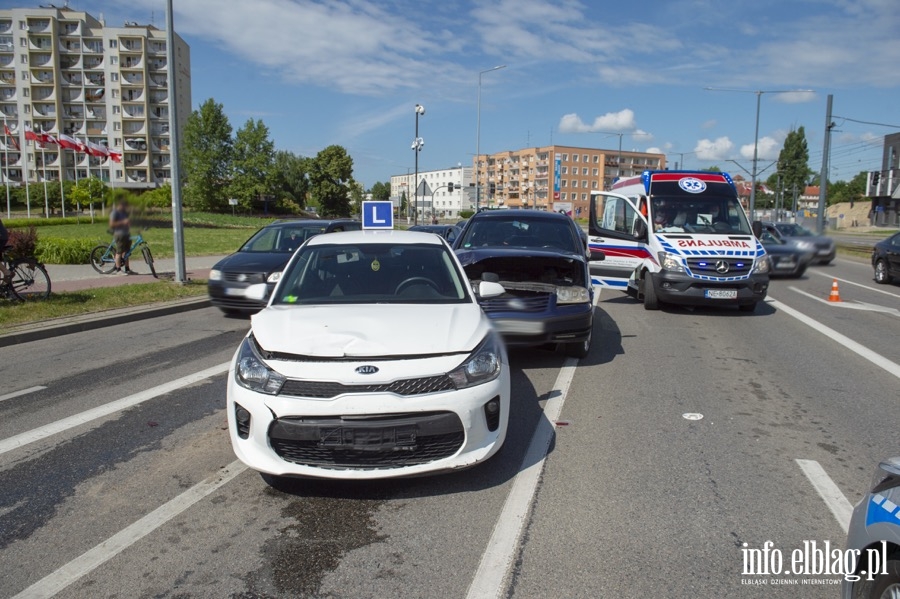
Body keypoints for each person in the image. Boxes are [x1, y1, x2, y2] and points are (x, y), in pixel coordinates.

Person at [109, 200, 133, 274]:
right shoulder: (115, 213)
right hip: (119, 234)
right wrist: (123, 222)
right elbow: (112, 224)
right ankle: (118, 269)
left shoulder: (125, 213)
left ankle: (127, 268)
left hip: (126, 234)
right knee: (119, 252)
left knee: (127, 252)